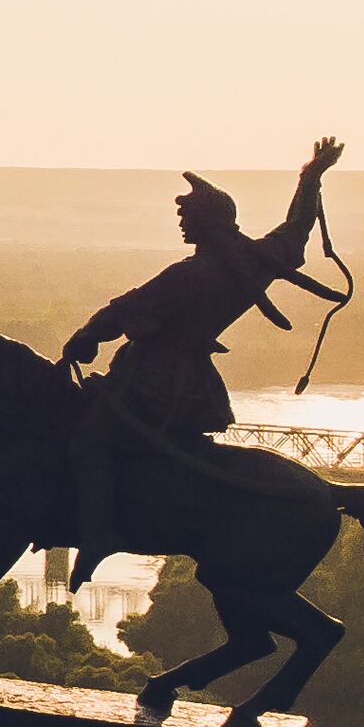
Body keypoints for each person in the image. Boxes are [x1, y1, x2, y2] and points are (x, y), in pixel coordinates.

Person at [58, 138, 345, 574]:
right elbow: (297, 227)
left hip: (154, 381)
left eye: (187, 217)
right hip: (194, 384)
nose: (182, 225)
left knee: (89, 437)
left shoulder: (191, 275)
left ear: (207, 222)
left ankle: (97, 533)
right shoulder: (256, 261)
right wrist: (310, 179)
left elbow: (123, 310)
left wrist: (83, 338)